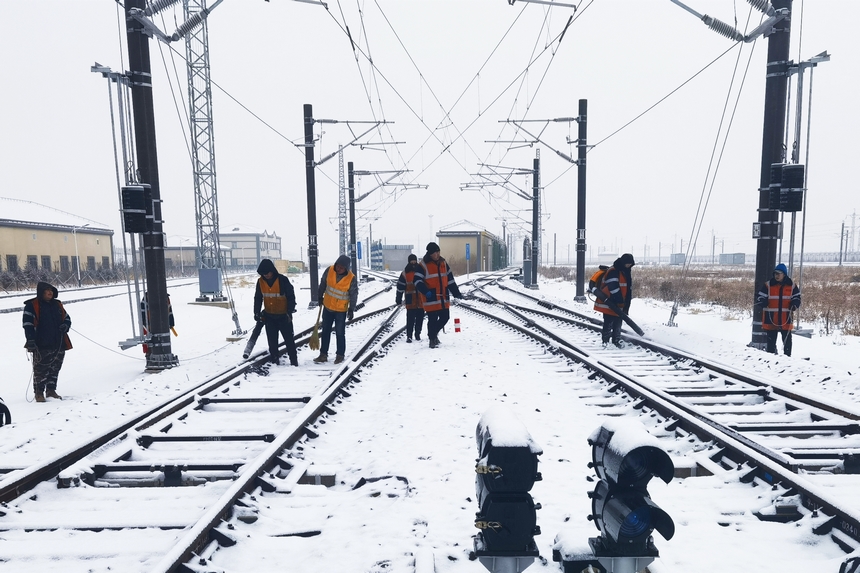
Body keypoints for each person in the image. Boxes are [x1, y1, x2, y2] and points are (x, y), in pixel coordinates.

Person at [22, 282, 72, 402]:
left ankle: (51, 390)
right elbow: (27, 324)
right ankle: (39, 393)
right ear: (41, 292)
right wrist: (30, 340)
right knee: (40, 370)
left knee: (55, 368)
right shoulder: (31, 305)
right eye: (47, 290)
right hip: (41, 344)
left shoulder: (57, 304)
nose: (50, 292)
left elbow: (67, 318)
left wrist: (65, 325)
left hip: (58, 342)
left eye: (51, 290)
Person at [414, 242, 462, 349]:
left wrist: (456, 293)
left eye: (438, 252)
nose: (437, 254)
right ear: (430, 254)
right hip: (431, 297)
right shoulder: (423, 265)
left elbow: (450, 280)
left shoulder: (443, 263)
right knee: (432, 319)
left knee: (445, 317)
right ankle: (432, 340)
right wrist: (425, 291)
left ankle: (433, 334)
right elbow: (417, 281)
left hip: (443, 297)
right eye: (435, 252)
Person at [313, 255, 358, 365]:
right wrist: (319, 296)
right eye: (338, 266)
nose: (338, 269)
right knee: (325, 331)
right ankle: (323, 354)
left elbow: (353, 295)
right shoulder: (329, 270)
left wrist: (351, 309)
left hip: (340, 310)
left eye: (342, 267)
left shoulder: (351, 278)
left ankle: (340, 355)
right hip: (328, 307)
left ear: (346, 268)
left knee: (340, 333)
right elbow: (323, 284)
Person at [253, 259, 299, 366]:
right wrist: (256, 312)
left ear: (272, 271)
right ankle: (274, 360)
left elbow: (291, 296)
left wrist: (290, 310)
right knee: (272, 342)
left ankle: (294, 361)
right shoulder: (260, 282)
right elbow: (258, 298)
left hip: (284, 316)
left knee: (289, 341)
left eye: (268, 273)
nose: (266, 275)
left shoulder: (282, 280)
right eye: (264, 274)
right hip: (269, 316)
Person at [757, 263, 801, 356]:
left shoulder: (792, 286)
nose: (776, 275)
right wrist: (763, 302)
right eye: (775, 273)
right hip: (771, 318)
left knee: (787, 340)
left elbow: (797, 298)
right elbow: (760, 297)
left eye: (779, 273)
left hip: (786, 318)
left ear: (784, 274)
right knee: (771, 341)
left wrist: (794, 304)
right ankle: (771, 358)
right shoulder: (768, 285)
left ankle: (787, 358)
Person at [592, 253, 635, 347]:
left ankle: (616, 340)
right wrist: (619, 300)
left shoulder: (625, 270)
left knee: (618, 322)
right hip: (609, 302)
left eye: (630, 264)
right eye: (627, 264)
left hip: (619, 303)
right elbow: (613, 287)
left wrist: (625, 304)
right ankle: (605, 341)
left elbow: (627, 288)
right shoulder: (614, 270)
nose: (628, 265)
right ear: (623, 262)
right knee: (608, 322)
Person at [396, 254, 425, 343]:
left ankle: (417, 334)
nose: (413, 262)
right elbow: (400, 287)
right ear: (409, 261)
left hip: (420, 300)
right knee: (410, 320)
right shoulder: (405, 273)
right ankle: (409, 336)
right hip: (410, 300)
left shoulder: (422, 271)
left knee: (420, 319)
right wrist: (398, 298)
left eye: (414, 260)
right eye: (412, 261)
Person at [141, 291, 175, 357]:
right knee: (150, 338)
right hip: (150, 323)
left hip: (161, 322)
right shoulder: (147, 298)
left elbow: (169, 309)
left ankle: (161, 350)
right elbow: (143, 312)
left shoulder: (165, 297)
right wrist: (144, 323)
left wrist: (171, 321)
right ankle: (150, 352)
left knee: (160, 338)